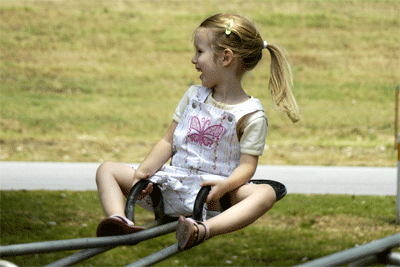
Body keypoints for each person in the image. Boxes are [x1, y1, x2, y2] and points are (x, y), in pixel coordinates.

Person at [95, 13, 299, 249]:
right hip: (171, 186)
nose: (194, 60)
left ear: (225, 58)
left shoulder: (251, 115)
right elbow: (167, 141)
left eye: (200, 52)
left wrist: (225, 186)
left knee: (266, 193)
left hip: (214, 196)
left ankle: (203, 230)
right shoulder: (193, 96)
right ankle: (120, 221)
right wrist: (144, 171)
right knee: (106, 170)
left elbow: (247, 166)